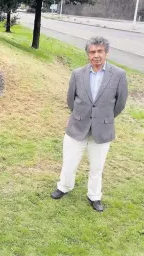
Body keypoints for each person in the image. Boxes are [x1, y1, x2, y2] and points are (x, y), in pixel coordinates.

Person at [50, 36, 128, 212]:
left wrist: (104, 118)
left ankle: (94, 196)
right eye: (92, 52)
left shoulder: (119, 75)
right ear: (88, 55)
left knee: (97, 167)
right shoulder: (78, 74)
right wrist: (81, 116)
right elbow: (71, 100)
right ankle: (64, 186)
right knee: (69, 162)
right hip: (77, 127)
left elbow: (120, 103)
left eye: (100, 51)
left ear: (106, 53)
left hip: (102, 130)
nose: (96, 55)